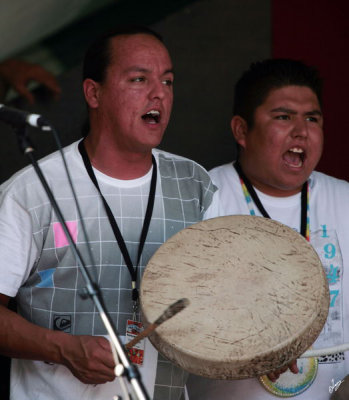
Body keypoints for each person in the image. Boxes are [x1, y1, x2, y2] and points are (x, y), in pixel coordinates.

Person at [0, 25, 219, 400]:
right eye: (139, 79)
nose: (159, 94)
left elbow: (222, 296)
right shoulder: (32, 190)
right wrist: (62, 349)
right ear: (93, 92)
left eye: (168, 81)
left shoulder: (194, 184)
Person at [187, 59, 349, 399]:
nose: (301, 130)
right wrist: (248, 348)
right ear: (241, 131)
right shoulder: (200, 202)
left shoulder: (345, 201)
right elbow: (176, 318)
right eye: (283, 116)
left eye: (312, 118)